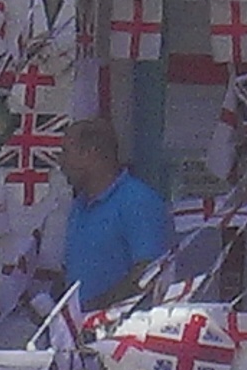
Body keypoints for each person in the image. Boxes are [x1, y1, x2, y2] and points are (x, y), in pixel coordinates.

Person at [59, 119, 168, 310]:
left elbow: (149, 274)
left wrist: (94, 309)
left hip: (124, 332)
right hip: (80, 333)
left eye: (66, 152)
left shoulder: (137, 201)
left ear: (90, 153)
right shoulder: (79, 205)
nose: (61, 163)